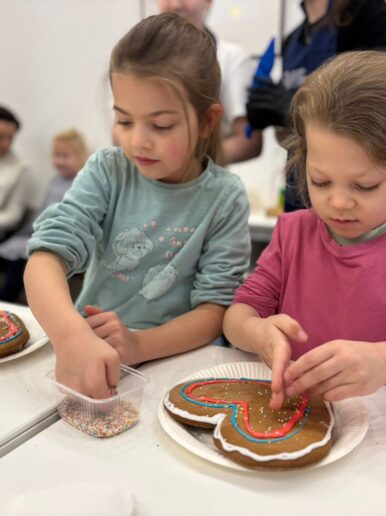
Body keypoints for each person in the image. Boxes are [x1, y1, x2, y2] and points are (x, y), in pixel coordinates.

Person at [24, 13, 250, 399]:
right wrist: (70, 335)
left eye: (161, 126)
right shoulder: (108, 170)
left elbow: (215, 312)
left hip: (177, 369)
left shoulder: (224, 197)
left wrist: (139, 344)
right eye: (124, 121)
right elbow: (46, 258)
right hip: (90, 352)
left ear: (207, 121)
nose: (138, 141)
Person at [224, 50, 386, 411]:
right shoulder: (293, 234)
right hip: (298, 417)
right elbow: (237, 315)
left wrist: (385, 361)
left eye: (365, 186)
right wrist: (258, 333)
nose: (339, 202)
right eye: (320, 181)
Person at [246, 0, 386, 211]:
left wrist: (296, 108)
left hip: (355, 200)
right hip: (301, 190)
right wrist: (278, 116)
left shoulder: (365, 11)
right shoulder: (292, 40)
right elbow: (291, 140)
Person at [157, 0, 262, 164]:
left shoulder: (231, 58)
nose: (176, 4)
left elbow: (248, 141)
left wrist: (189, 167)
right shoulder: (138, 56)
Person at [0, 129, 88, 303]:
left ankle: (6, 301)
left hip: (61, 238)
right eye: (56, 156)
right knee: (9, 252)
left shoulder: (83, 183)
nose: (59, 161)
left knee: (21, 263)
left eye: (65, 156)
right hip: (38, 231)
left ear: (80, 157)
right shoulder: (55, 180)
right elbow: (42, 212)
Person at [0, 106, 31, 240]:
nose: (6, 144)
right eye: (1, 137)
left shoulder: (20, 168)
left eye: (11, 138)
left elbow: (13, 216)